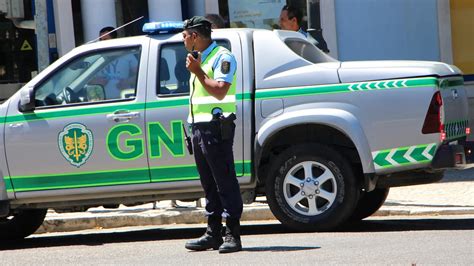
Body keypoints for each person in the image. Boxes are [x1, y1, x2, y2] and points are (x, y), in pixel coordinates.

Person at [182, 16, 242, 253]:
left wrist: (197, 72)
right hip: (199, 128)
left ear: (195, 36)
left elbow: (219, 91)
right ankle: (213, 233)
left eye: (185, 36)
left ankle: (232, 235)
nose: (184, 40)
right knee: (209, 184)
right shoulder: (199, 59)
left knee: (224, 181)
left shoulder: (222, 57)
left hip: (216, 128)